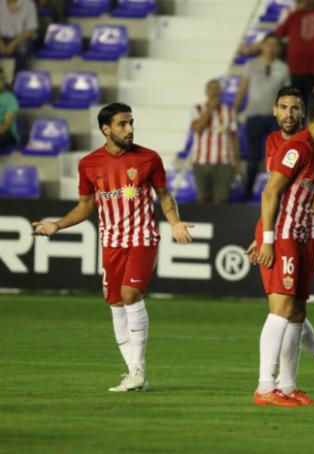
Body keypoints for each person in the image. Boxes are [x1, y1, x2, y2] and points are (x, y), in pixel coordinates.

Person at [32, 103, 193, 392]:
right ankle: (133, 372)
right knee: (116, 302)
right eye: (122, 124)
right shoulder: (89, 164)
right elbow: (85, 207)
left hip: (142, 238)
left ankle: (139, 370)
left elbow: (164, 196)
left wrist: (175, 223)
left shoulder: (148, 158)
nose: (130, 129)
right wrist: (57, 225)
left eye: (131, 123)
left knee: (131, 294)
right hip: (111, 243)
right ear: (106, 129)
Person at [246, 86, 314, 397]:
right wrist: (266, 238)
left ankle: (287, 387)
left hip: (301, 233)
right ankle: (265, 388)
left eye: (295, 108)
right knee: (281, 309)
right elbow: (270, 192)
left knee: (295, 310)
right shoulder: (298, 147)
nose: (289, 114)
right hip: (286, 233)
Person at [235, 34, 290, 199]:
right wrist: (235, 110)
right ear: (262, 46)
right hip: (253, 116)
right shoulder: (251, 64)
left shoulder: (283, 67)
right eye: (268, 44)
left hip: (274, 118)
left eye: (275, 45)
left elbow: (286, 94)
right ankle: (248, 190)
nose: (271, 48)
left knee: (276, 156)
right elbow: (243, 88)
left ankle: (276, 191)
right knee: (253, 156)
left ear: (279, 49)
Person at [181, 79, 240, 205]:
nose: (214, 91)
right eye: (211, 88)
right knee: (202, 200)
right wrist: (210, 109)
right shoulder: (197, 109)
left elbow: (234, 137)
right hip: (201, 161)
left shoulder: (229, 111)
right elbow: (197, 128)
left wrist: (237, 162)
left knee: (221, 201)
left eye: (216, 88)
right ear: (206, 92)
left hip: (224, 162)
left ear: (220, 92)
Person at [0, 0, 37, 77]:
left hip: (22, 39)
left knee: (22, 49)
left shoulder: (28, 4)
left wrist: (13, 43)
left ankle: (17, 80)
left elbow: (30, 30)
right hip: (2, 38)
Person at [0, 66, 19, 148]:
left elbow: (6, 126)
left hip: (7, 134)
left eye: (2, 79)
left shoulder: (10, 98)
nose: (2, 82)